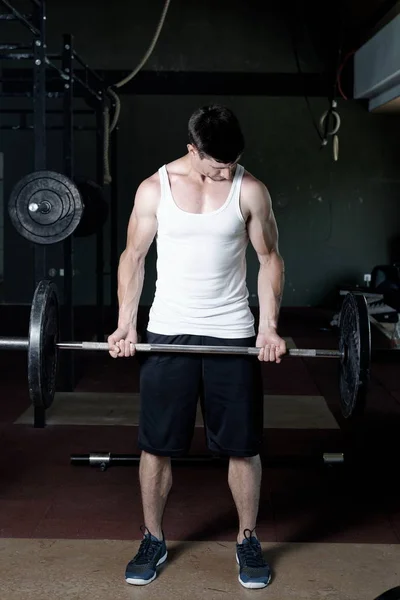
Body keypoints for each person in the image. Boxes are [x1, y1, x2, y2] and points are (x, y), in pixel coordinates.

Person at [108, 104, 286, 589]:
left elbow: (269, 259)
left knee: (243, 447)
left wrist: (268, 328)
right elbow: (134, 256)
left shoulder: (251, 190)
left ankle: (247, 539)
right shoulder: (155, 188)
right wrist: (127, 323)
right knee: (157, 445)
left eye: (233, 162)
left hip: (232, 331)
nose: (226, 172)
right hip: (169, 330)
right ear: (192, 150)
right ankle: (153, 537)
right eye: (216, 165)